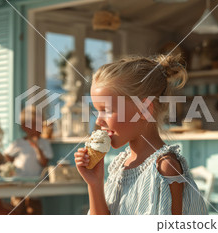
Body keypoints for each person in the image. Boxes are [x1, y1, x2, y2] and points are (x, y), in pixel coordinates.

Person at [74, 55, 208, 215]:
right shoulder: (120, 165)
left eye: (106, 110)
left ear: (144, 110)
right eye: (97, 111)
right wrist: (94, 184)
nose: (99, 120)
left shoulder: (164, 168)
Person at [4, 106, 54, 214]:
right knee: (17, 210)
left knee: (34, 211)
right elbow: (6, 156)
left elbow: (44, 162)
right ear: (24, 127)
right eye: (34, 124)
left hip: (35, 187)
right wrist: (10, 168)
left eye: (40, 124)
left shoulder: (44, 143)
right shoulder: (19, 143)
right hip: (19, 185)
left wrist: (37, 147)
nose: (38, 128)